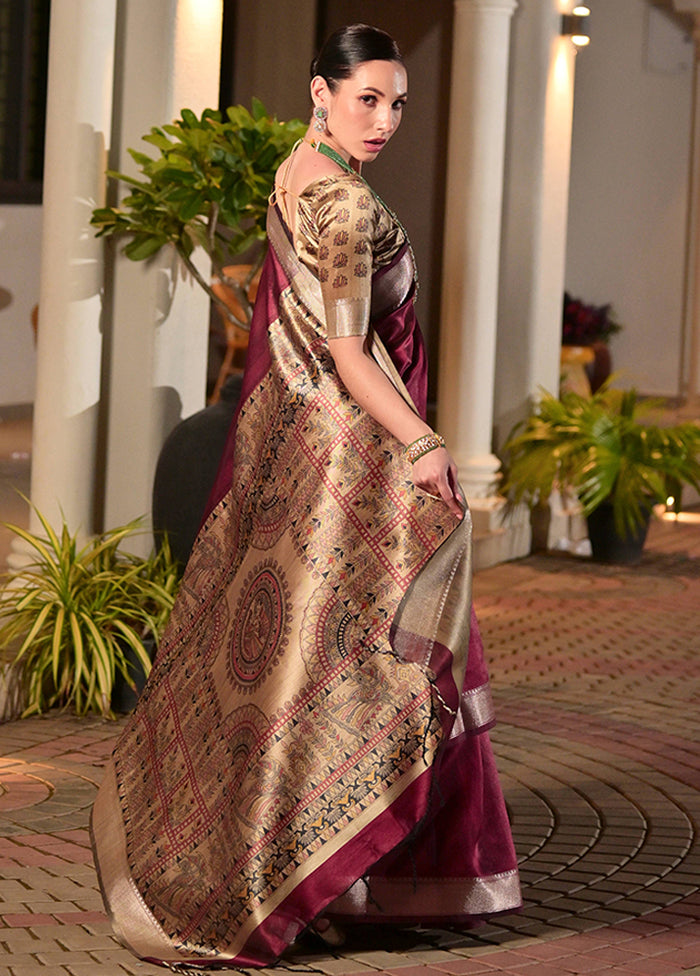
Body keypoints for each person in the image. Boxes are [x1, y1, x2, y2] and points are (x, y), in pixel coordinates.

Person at [91, 24, 521, 971]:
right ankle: (314, 878)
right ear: (321, 91)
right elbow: (349, 352)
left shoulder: (297, 169)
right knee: (380, 667)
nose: (385, 119)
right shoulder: (344, 204)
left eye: (397, 103)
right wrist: (423, 442)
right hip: (350, 456)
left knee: (297, 670)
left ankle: (313, 874)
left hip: (297, 446)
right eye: (367, 98)